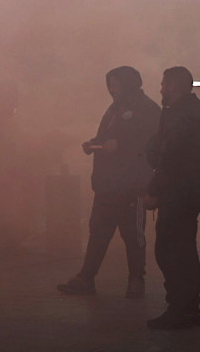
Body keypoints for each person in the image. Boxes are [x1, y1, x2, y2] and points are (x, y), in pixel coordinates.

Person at [60, 66, 160, 299]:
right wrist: (94, 143)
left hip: (132, 184)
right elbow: (108, 138)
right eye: (109, 85)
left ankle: (136, 280)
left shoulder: (148, 109)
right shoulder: (114, 109)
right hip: (107, 184)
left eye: (115, 85)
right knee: (98, 231)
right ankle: (86, 278)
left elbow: (152, 144)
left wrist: (121, 147)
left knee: (132, 235)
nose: (111, 90)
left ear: (128, 84)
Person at [144, 66, 200, 329]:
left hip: (178, 193)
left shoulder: (181, 117)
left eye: (164, 84)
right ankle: (188, 308)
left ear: (174, 86)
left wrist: (153, 190)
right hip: (189, 193)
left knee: (169, 251)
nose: (161, 89)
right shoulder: (189, 115)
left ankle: (180, 308)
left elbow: (170, 159)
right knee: (184, 250)